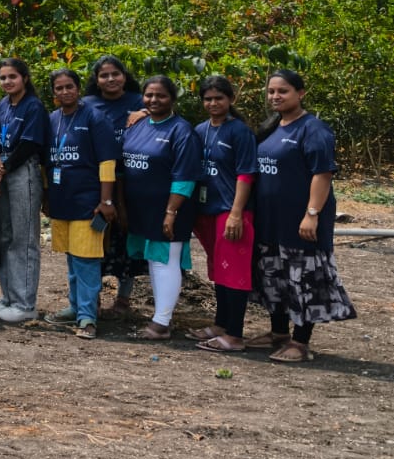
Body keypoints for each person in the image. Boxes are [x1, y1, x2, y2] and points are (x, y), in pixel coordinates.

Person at [247, 70, 356, 363]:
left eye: (282, 91)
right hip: (270, 222)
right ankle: (279, 333)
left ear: (301, 93)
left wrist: (312, 214)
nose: (275, 97)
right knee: (275, 278)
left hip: (301, 224)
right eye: (271, 91)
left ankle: (300, 341)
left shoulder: (314, 129)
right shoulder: (272, 128)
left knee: (303, 280)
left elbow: (323, 174)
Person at [119, 75, 203, 341]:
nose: (154, 100)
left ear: (173, 98)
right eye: (149, 95)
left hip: (168, 210)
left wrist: (171, 212)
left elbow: (185, 176)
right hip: (141, 209)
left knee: (166, 261)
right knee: (154, 262)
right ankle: (159, 317)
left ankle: (161, 323)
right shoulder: (138, 124)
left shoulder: (181, 131)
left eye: (161, 96)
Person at [43, 68, 118, 340]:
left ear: (78, 88)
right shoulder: (51, 119)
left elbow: (107, 161)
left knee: (87, 261)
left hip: (88, 201)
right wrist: (46, 197)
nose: (65, 92)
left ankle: (87, 317)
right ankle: (75, 307)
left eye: (69, 87)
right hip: (61, 200)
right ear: (54, 93)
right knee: (72, 260)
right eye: (59, 88)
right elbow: (46, 161)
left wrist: (106, 200)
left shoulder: (95, 118)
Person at [191, 75, 259, 354]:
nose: (213, 103)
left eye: (219, 98)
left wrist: (236, 213)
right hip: (207, 209)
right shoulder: (200, 130)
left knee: (235, 274)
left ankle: (235, 335)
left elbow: (246, 174)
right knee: (219, 272)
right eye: (208, 98)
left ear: (231, 99)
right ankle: (221, 325)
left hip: (230, 212)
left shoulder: (239, 132)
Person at [83, 56, 147, 320]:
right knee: (95, 239)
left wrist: (143, 113)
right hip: (97, 181)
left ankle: (124, 297)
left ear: (124, 75)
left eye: (115, 74)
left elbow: (165, 117)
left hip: (133, 181)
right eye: (104, 75)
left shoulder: (140, 101)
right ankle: (93, 297)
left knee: (127, 237)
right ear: (96, 80)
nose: (110, 79)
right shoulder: (87, 105)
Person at [0, 57, 47, 324]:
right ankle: (8, 297)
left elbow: (30, 144)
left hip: (22, 171)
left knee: (24, 239)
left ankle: (25, 304)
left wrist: (3, 169)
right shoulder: (3, 105)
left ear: (24, 77)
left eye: (12, 76)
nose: (7, 82)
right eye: (3, 78)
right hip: (2, 172)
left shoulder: (33, 106)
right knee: (4, 235)